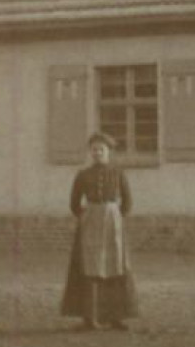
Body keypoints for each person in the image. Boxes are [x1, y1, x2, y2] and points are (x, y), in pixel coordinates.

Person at [60, 132, 139, 330]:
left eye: (101, 149)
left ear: (108, 152)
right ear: (90, 152)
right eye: (94, 150)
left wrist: (116, 217)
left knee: (114, 267)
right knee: (91, 267)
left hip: (112, 223)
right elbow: (74, 203)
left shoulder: (119, 173)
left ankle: (115, 317)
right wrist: (87, 217)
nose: (97, 153)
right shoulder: (83, 175)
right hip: (91, 224)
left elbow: (127, 202)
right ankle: (90, 318)